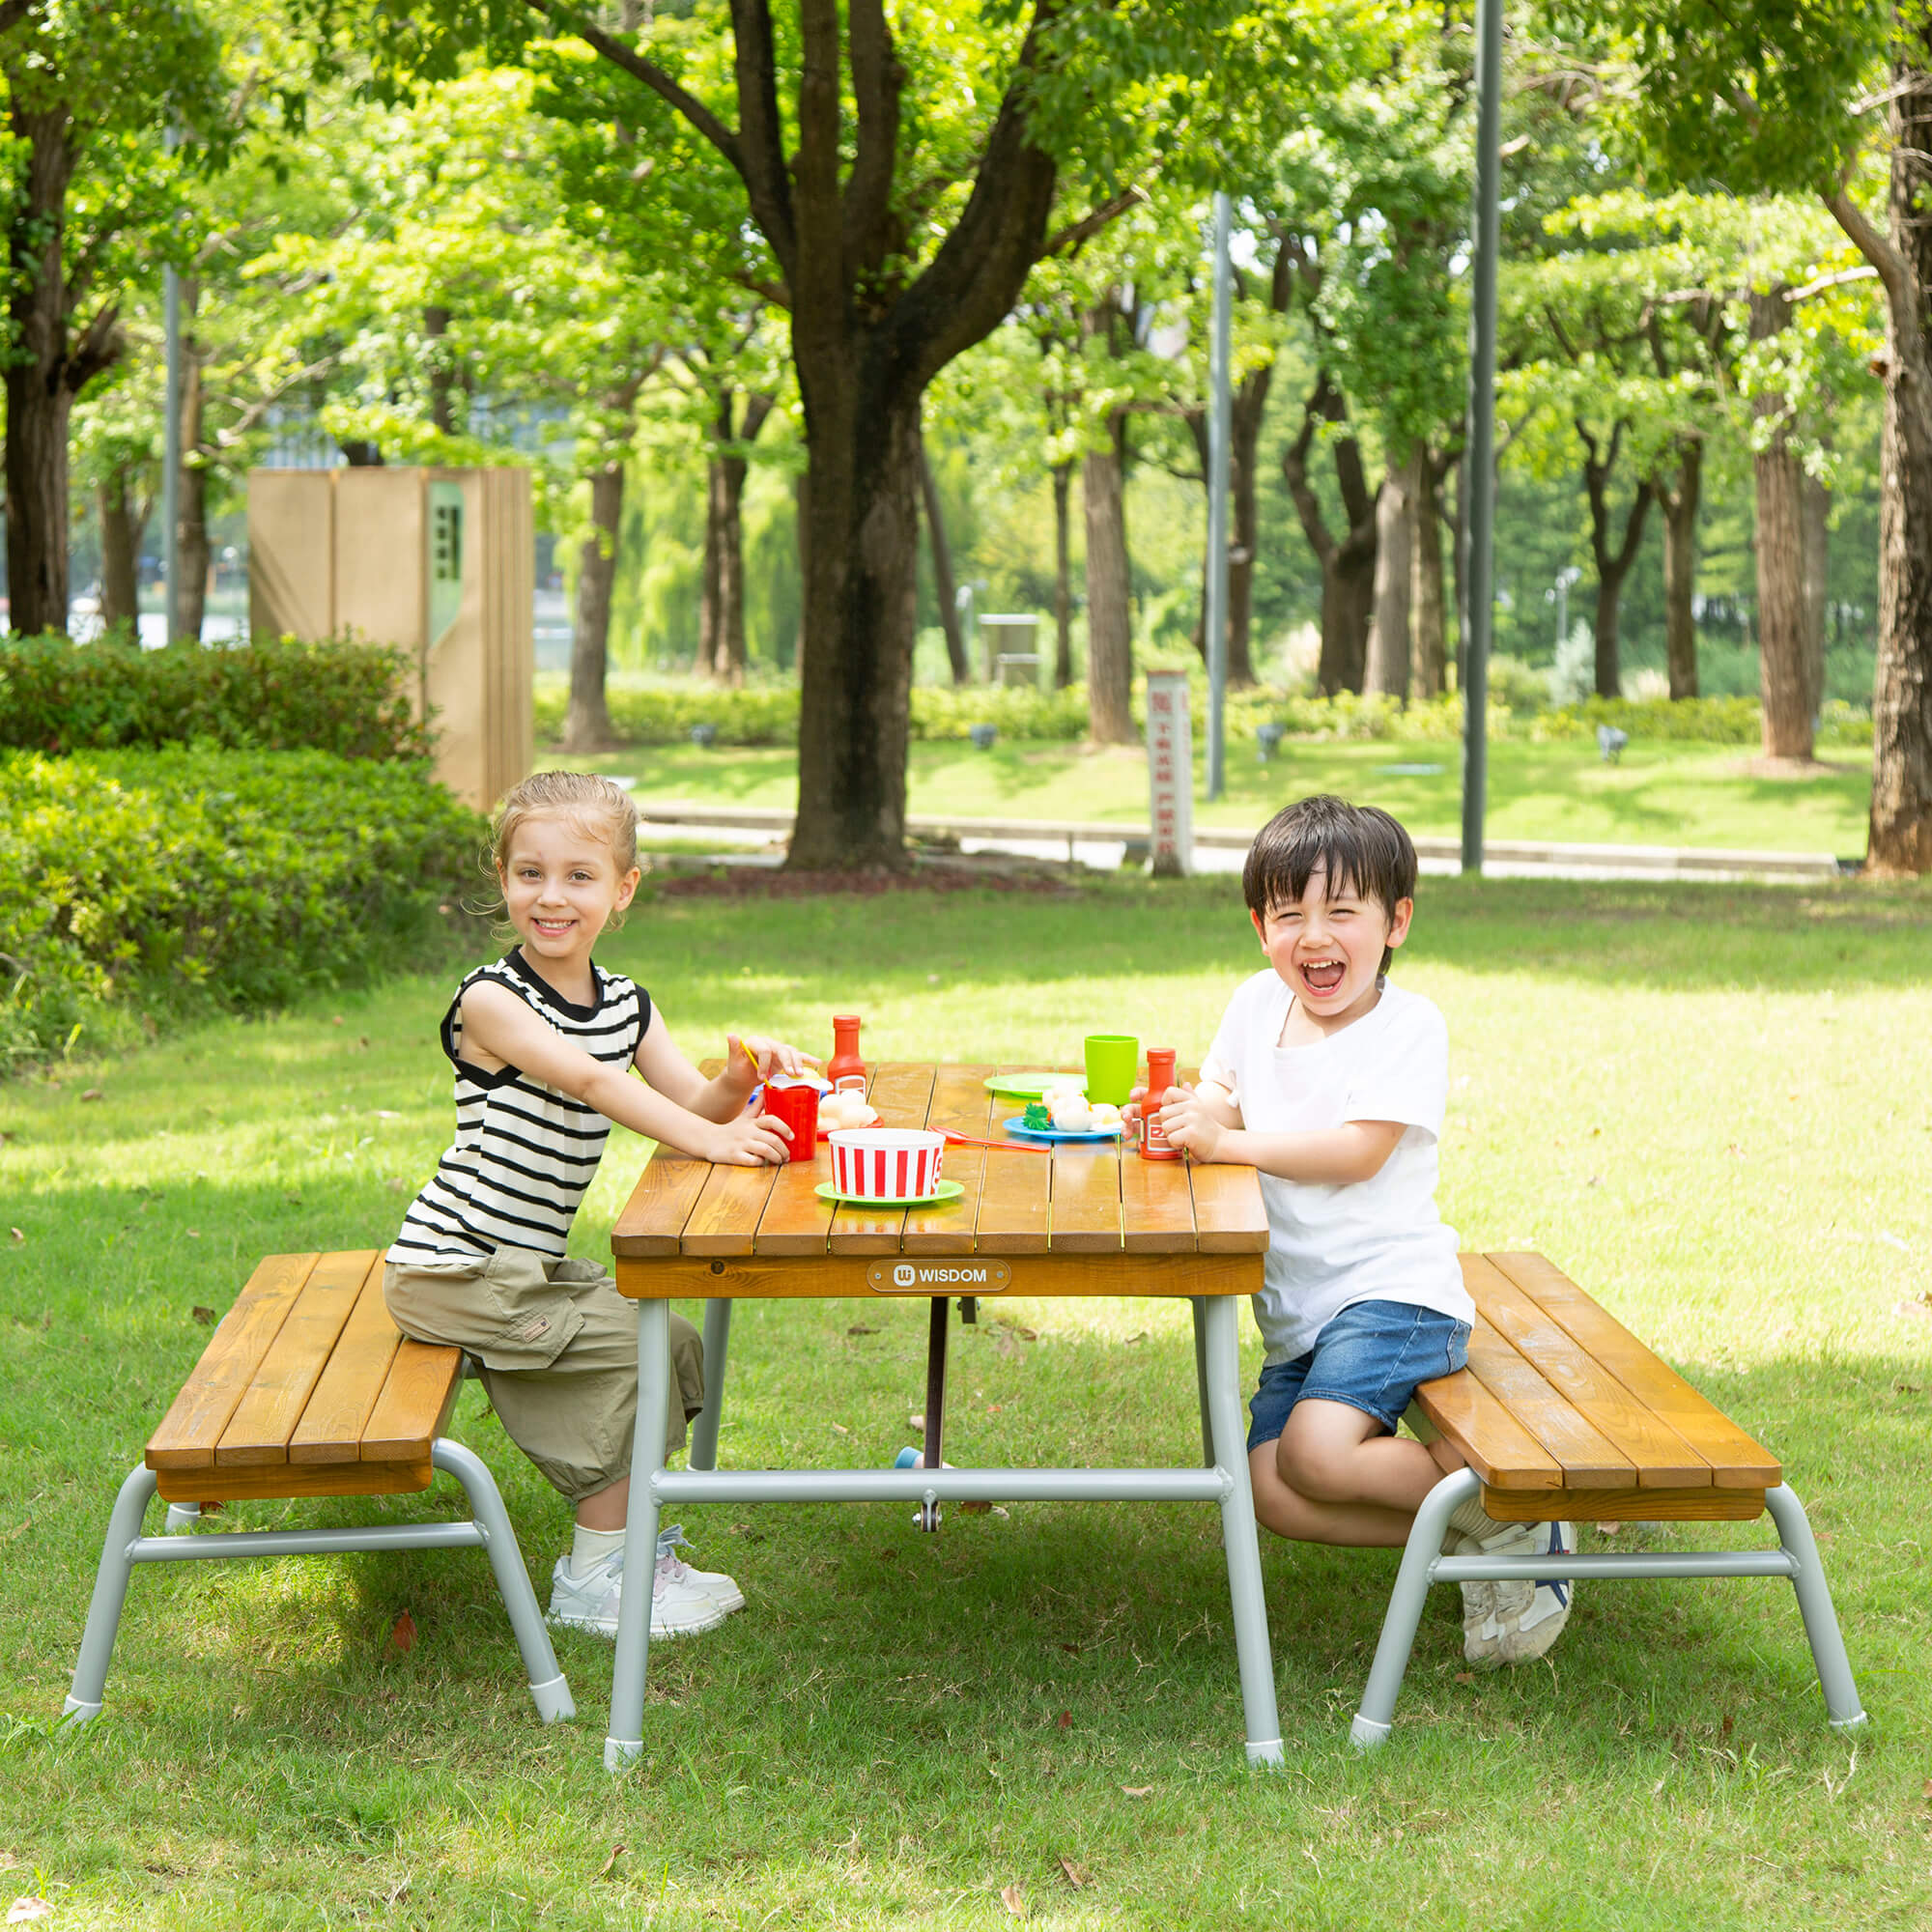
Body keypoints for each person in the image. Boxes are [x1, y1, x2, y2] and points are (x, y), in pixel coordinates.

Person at [1146, 794, 1573, 1667]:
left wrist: (1226, 1141)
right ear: (1260, 924)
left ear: (1396, 922)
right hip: (1303, 1308)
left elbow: (1358, 1152)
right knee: (1269, 1485)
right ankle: (1470, 1541)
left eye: (1341, 911)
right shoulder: (1255, 1005)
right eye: (1289, 913)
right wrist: (1190, 1115)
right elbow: (1225, 1090)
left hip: (1395, 1295)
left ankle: (1518, 1505)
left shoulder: (1407, 1027)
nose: (1314, 936)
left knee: (1314, 1451)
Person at [385, 771, 813, 1642]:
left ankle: (626, 1550)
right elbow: (589, 1080)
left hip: (521, 1269)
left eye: (580, 876)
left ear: (622, 891)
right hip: (451, 1268)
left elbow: (688, 1103)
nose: (551, 896)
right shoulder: (492, 999)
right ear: (502, 878)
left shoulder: (624, 1003)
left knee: (673, 1339)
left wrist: (736, 1082)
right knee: (636, 1347)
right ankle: (594, 1577)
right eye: (530, 873)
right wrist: (717, 1142)